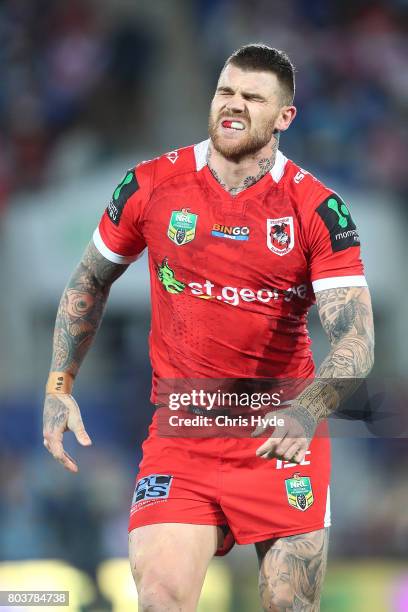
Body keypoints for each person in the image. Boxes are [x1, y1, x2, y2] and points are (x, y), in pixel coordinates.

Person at [43, 44, 374, 611]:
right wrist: (59, 384)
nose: (234, 105)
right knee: (161, 597)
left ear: (284, 116)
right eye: (225, 91)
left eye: (252, 97)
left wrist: (308, 410)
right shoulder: (151, 185)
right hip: (183, 433)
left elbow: (358, 341)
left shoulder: (316, 209)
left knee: (288, 606)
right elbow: (88, 282)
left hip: (280, 436)